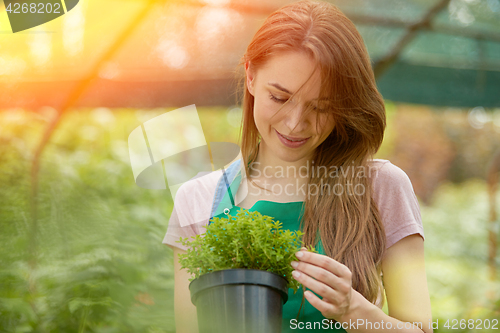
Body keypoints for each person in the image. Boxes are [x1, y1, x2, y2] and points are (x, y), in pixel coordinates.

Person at [163, 0, 433, 332]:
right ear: (250, 76)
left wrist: (354, 311)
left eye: (320, 107)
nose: (295, 124)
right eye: (279, 97)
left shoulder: (381, 188)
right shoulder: (197, 201)